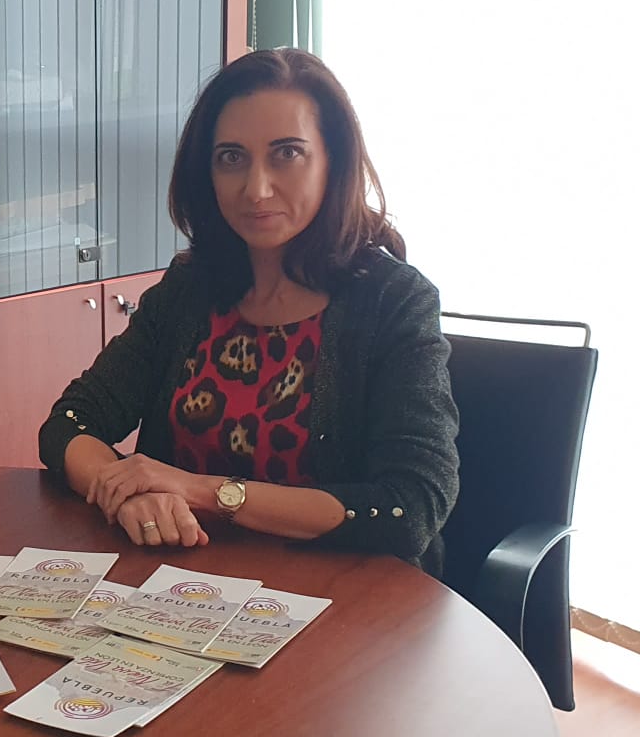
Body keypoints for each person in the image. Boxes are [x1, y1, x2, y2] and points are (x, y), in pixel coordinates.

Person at [37, 48, 459, 572]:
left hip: (345, 596)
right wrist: (126, 492)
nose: (256, 189)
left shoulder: (393, 301)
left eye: (287, 153)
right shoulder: (190, 287)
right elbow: (70, 423)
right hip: (185, 585)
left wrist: (201, 491)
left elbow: (410, 507)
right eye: (232, 158)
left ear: (333, 162)